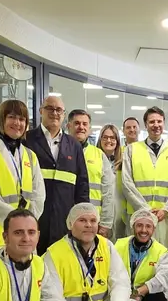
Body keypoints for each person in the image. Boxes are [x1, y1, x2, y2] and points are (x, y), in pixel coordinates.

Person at [0, 99, 45, 255]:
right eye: (12, 117)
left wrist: (27, 225)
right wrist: (15, 223)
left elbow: (39, 195)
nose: (17, 123)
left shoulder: (30, 155)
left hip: (25, 239)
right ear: (1, 119)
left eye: (22, 119)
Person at [24, 95, 90, 254]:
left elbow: (82, 185)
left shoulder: (73, 145)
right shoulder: (27, 140)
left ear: (64, 114)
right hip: (34, 216)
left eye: (59, 110)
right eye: (50, 108)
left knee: (60, 263)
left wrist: (82, 217)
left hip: (64, 219)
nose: (55, 113)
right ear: (41, 111)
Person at [122, 106, 168, 250]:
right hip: (139, 216)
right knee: (137, 256)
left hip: (167, 217)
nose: (156, 125)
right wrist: (145, 210)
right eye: (152, 122)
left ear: (164, 123)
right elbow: (127, 184)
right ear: (145, 125)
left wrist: (166, 210)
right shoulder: (131, 150)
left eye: (159, 121)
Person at [114, 208, 168, 301]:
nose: (143, 230)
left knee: (160, 298)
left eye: (148, 226)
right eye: (139, 225)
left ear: (154, 229)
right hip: (122, 291)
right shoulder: (119, 245)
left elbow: (164, 277)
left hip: (146, 293)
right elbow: (110, 271)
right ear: (133, 226)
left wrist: (140, 292)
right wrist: (125, 292)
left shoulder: (161, 251)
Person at [68, 110, 115, 238]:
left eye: (85, 124)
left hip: (93, 222)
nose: (81, 127)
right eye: (77, 123)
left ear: (89, 128)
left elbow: (108, 192)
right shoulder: (59, 151)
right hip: (65, 220)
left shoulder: (99, 155)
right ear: (68, 126)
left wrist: (105, 224)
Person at [98, 123, 126, 238]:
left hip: (120, 216)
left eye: (112, 137)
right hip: (100, 213)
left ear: (117, 141)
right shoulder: (94, 159)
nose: (109, 140)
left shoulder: (124, 162)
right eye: (105, 137)